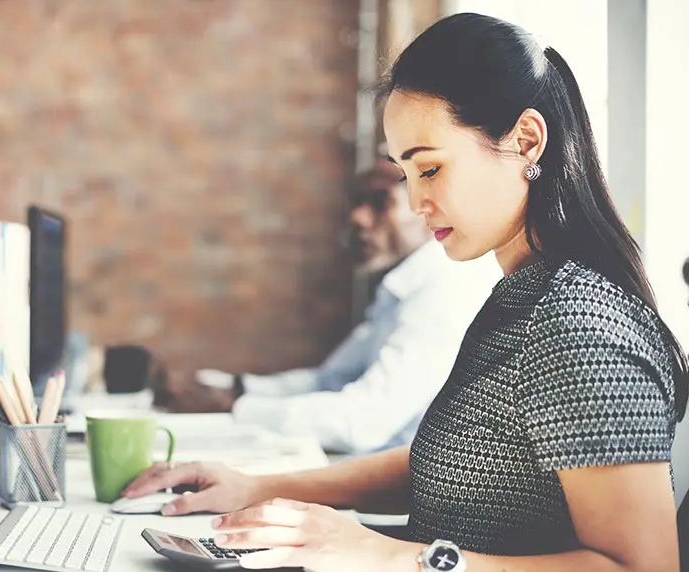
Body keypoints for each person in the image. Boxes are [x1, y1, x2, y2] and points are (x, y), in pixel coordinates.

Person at [122, 12, 688, 572]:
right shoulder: (521, 295)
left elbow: (643, 567)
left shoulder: (580, 325)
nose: (417, 203)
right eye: (405, 175)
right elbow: (450, 469)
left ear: (525, 141)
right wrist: (258, 487)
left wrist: (389, 554)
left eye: (431, 169)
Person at [160, 162, 501, 454]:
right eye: (356, 203)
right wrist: (232, 387)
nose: (358, 218)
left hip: (402, 497)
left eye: (379, 202)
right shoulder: (405, 284)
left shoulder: (447, 286)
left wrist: (234, 406)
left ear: (428, 207)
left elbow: (364, 420)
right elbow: (332, 379)